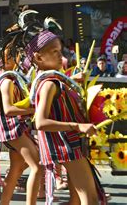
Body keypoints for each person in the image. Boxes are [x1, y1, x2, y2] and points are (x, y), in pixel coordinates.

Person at [22, 15, 107, 204]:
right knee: (90, 199)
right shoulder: (49, 84)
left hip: (68, 145)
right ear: (38, 57)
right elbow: (40, 122)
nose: (61, 57)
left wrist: (73, 81)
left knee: (77, 200)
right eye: (54, 52)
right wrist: (78, 126)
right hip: (68, 147)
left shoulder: (53, 79)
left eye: (60, 51)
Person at [0, 29, 41, 205]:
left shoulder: (11, 78)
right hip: (12, 130)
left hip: (14, 130)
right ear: (4, 60)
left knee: (16, 169)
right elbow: (8, 109)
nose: (17, 59)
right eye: (12, 56)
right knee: (37, 166)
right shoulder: (7, 80)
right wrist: (31, 111)